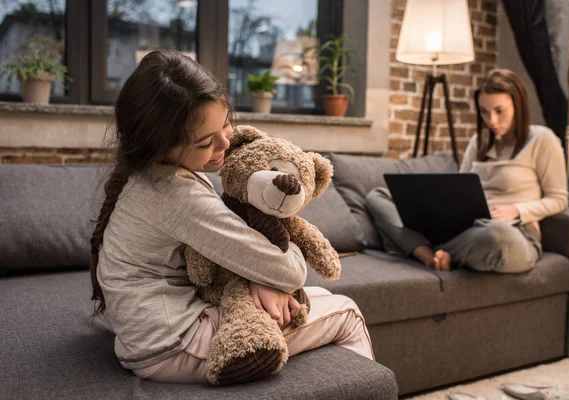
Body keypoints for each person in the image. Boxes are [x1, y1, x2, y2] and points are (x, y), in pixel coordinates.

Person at [89, 49, 373, 384]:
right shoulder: (175, 195)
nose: (226, 141)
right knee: (347, 312)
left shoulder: (152, 176)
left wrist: (258, 276)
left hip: (150, 334)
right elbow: (291, 270)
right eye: (207, 141)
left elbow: (234, 250)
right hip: (172, 344)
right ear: (161, 146)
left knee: (317, 301)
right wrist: (274, 273)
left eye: (226, 123)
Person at [366, 68, 569, 273]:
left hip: (513, 233)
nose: (492, 121)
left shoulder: (542, 139)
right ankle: (429, 256)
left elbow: (559, 199)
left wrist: (517, 209)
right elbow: (459, 189)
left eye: (500, 111)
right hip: (466, 229)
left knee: (497, 235)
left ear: (518, 105)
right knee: (378, 196)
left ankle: (421, 249)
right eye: (484, 112)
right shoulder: (478, 141)